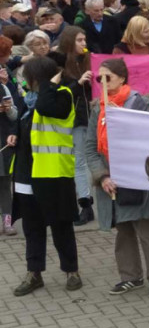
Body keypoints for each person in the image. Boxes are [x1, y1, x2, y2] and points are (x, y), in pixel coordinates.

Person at [84, 58, 149, 298]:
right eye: (100, 78)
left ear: (121, 77)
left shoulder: (139, 102)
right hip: (111, 180)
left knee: (146, 229)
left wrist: (126, 120)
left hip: (136, 177)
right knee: (123, 230)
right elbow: (90, 147)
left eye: (107, 77)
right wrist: (102, 177)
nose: (102, 82)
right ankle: (130, 277)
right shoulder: (98, 108)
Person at [9, 56, 82, 296]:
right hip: (26, 173)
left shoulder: (61, 94)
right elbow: (27, 124)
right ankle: (34, 273)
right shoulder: (28, 100)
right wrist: (15, 135)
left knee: (61, 225)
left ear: (37, 77)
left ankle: (71, 270)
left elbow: (45, 109)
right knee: (33, 228)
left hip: (53, 173)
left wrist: (50, 83)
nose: (23, 80)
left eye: (27, 76)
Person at [57, 26, 94, 227]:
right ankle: (85, 204)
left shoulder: (89, 60)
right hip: (76, 119)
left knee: (90, 161)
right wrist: (79, 82)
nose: (84, 44)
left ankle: (93, 203)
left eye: (85, 40)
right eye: (80, 40)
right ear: (70, 42)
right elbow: (62, 94)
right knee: (79, 162)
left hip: (92, 117)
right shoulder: (62, 64)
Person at [0, 36, 16, 236]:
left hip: (2, 141)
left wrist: (8, 108)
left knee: (5, 183)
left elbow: (14, 115)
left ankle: (7, 221)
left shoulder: (3, 87)